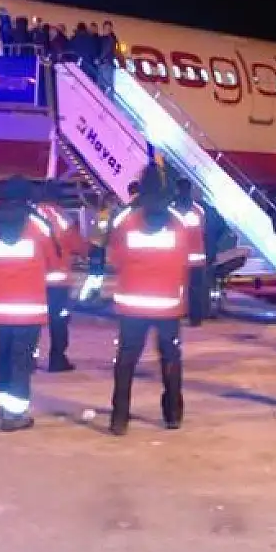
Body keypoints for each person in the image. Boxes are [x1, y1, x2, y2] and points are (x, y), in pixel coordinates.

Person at [106, 165, 193, 435]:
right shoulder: (178, 223)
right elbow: (185, 261)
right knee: (170, 359)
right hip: (167, 305)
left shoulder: (126, 222)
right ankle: (173, 415)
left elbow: (114, 259)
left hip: (132, 305)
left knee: (126, 360)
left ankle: (119, 418)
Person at [0, 176, 57, 431]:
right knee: (21, 361)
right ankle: (16, 415)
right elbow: (52, 259)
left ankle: (4, 408)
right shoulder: (38, 226)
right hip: (29, 308)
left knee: (2, 355)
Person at [36, 180, 82, 372]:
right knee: (59, 321)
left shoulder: (31, 215)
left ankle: (28, 358)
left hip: (32, 280)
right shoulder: (62, 217)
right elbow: (77, 245)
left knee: (32, 322)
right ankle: (57, 359)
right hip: (58, 282)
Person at [172, 178, 209, 326]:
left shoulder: (172, 211)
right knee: (196, 289)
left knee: (176, 288)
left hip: (176, 258)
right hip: (196, 258)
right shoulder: (198, 210)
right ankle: (195, 319)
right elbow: (203, 231)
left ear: (177, 190)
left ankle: (175, 315)